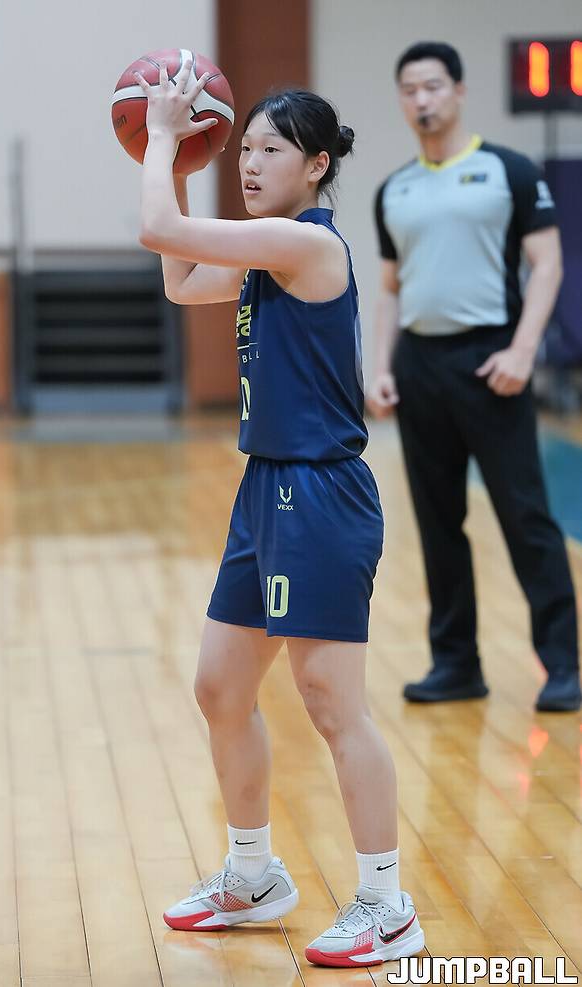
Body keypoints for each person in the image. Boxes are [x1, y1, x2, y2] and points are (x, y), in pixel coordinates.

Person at [134, 60, 425, 968]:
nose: (252, 164)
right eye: (245, 148)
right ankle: (254, 875)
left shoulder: (308, 246)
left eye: (271, 150)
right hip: (264, 490)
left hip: (322, 495)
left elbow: (158, 230)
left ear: (317, 165)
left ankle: (387, 902)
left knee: (333, 703)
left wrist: (159, 139)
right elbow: (182, 276)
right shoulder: (266, 254)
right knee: (220, 688)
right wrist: (182, 161)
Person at [368, 41, 581, 713]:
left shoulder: (508, 171)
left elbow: (548, 265)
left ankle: (563, 666)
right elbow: (391, 289)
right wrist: (380, 367)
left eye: (433, 86)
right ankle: (456, 664)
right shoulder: (393, 190)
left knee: (526, 516)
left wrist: (523, 351)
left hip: (492, 362)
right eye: (410, 89)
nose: (422, 100)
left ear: (458, 92)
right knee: (438, 522)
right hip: (420, 365)